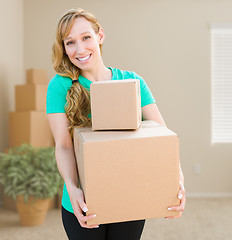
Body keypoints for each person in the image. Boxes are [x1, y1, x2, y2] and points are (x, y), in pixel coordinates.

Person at [46, 8, 186, 240]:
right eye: (70, 42)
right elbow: (63, 145)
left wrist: (177, 183)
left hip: (129, 197)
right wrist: (72, 189)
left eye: (86, 37)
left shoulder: (132, 82)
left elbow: (163, 140)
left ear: (100, 36)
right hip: (83, 202)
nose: (79, 49)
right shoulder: (59, 86)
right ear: (64, 48)